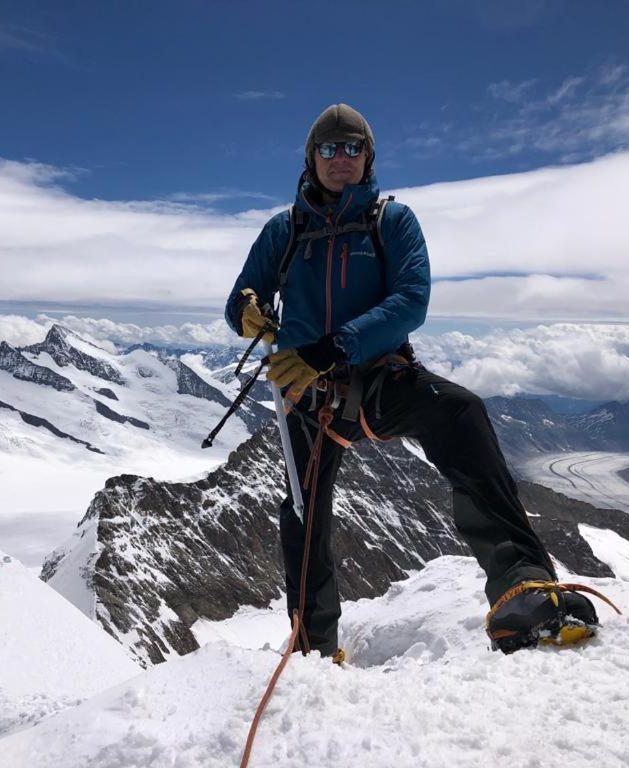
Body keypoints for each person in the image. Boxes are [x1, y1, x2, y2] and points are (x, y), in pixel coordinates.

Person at [225, 103, 601, 657]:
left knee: (460, 413)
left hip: (374, 376)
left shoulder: (391, 221)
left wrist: (330, 349)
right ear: (311, 159)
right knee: (304, 515)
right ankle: (313, 646)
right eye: (329, 148)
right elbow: (240, 300)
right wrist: (247, 312)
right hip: (304, 392)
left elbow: (410, 302)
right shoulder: (283, 230)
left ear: (367, 156)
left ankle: (523, 587)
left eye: (352, 147)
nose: (341, 158)